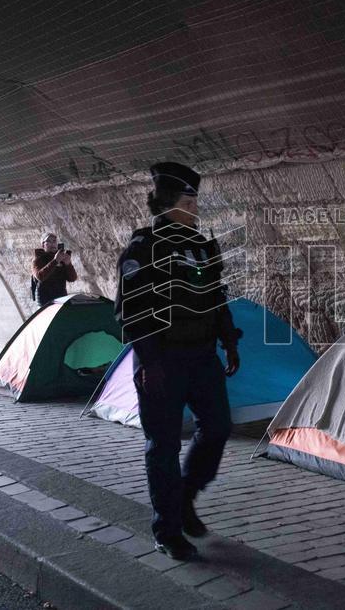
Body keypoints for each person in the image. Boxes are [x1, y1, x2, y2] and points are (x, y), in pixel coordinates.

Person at [116, 161, 242, 561]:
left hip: (202, 357)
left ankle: (185, 496)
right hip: (161, 361)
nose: (197, 206)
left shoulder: (203, 246)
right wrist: (149, 360)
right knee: (163, 446)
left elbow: (216, 297)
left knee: (219, 427)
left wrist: (228, 340)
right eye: (192, 199)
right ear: (173, 201)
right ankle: (167, 530)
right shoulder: (143, 248)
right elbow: (131, 308)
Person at [31, 232, 77, 306]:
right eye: (49, 241)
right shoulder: (38, 259)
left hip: (61, 298)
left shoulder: (61, 257)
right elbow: (40, 277)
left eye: (54, 241)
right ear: (43, 245)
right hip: (45, 300)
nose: (52, 244)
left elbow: (72, 278)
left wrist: (68, 264)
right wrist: (55, 261)